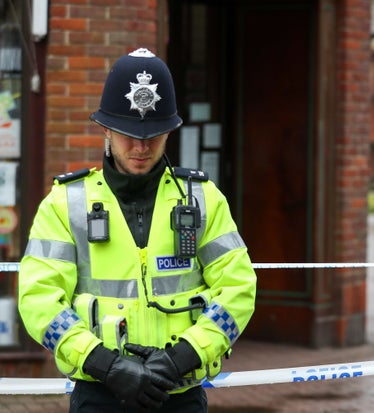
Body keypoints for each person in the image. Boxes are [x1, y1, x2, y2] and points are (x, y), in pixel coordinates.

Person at [17, 48, 257, 412]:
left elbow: (238, 288)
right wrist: (105, 365)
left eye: (155, 134)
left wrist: (184, 356)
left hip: (179, 392)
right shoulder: (65, 204)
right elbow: (39, 299)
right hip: (100, 393)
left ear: (170, 131)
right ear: (105, 129)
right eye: (128, 133)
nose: (141, 146)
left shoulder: (204, 199)